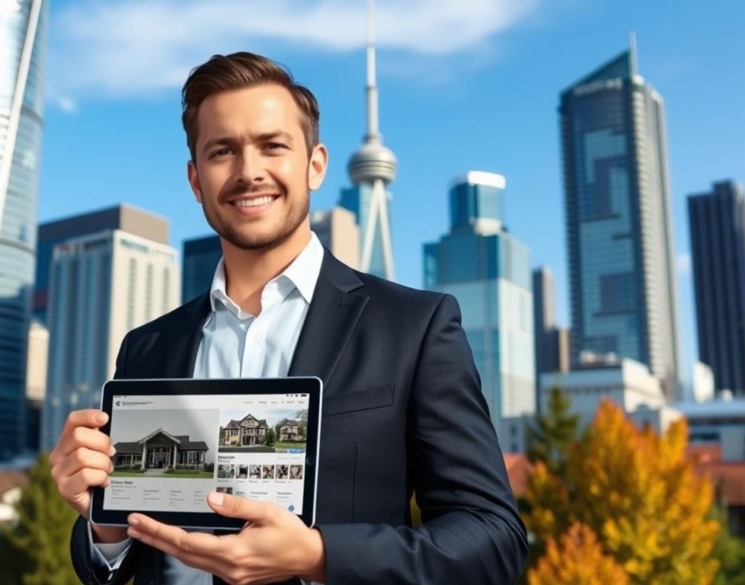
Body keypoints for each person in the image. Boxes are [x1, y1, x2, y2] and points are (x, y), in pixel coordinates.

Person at [50, 51, 528, 584]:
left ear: (315, 164)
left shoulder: (414, 327)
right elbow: (127, 559)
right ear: (195, 180)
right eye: (222, 151)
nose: (248, 171)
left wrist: (319, 555)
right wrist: (104, 524)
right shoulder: (146, 347)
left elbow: (493, 539)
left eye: (272, 145)